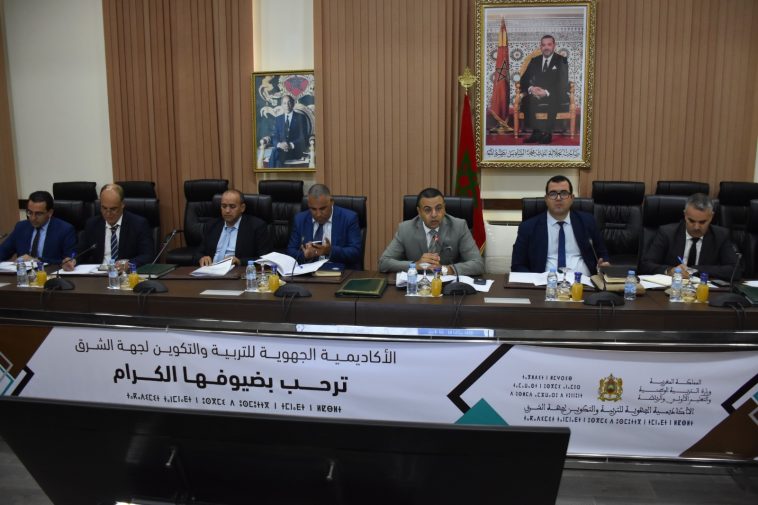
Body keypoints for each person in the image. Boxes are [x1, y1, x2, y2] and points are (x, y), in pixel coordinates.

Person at [511, 175, 608, 275]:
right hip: (545, 282)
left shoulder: (588, 221)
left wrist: (604, 264)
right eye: (553, 194)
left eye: (564, 193)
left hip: (583, 281)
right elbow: (517, 265)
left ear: (572, 198)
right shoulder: (528, 227)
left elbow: (602, 254)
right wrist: (533, 281)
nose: (558, 198)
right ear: (546, 199)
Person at [379, 188, 484, 276]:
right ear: (419, 212)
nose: (434, 214)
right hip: (417, 287)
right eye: (427, 210)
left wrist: (446, 269)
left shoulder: (459, 226)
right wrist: (415, 265)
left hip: (448, 287)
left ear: (444, 208)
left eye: (438, 208)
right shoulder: (405, 229)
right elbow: (384, 262)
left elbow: (478, 264)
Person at [639, 193, 740, 281]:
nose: (696, 227)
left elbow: (736, 270)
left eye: (702, 222)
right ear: (685, 215)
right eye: (691, 221)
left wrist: (696, 269)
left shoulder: (720, 235)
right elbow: (645, 265)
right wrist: (670, 271)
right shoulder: (667, 233)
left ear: (711, 217)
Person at [74, 184, 154, 267]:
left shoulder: (138, 224)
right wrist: (73, 260)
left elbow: (148, 256)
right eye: (104, 208)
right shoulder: (92, 224)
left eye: (113, 209)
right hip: (99, 272)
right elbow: (80, 252)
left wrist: (129, 264)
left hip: (125, 273)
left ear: (122, 204)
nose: (108, 214)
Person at [287, 184, 362, 270]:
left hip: (339, 272)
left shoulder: (349, 218)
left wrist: (330, 251)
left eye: (322, 209)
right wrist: (304, 255)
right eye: (313, 209)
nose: (318, 214)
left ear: (331, 202)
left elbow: (355, 252)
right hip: (309, 273)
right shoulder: (300, 219)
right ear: (308, 204)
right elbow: (291, 251)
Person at [198, 189, 273, 267]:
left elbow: (265, 259)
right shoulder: (211, 225)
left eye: (232, 206)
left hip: (236, 270)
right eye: (224, 206)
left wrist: (240, 261)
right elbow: (198, 253)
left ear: (242, 208)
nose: (227, 211)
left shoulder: (257, 226)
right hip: (210, 269)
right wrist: (202, 258)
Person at [0, 191, 77, 266]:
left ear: (50, 213)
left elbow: (68, 262)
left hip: (49, 273)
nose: (33, 218)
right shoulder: (21, 227)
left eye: (38, 214)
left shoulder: (65, 230)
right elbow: (3, 252)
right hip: (23, 273)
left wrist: (37, 261)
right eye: (30, 212)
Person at [520, 35, 569, 145]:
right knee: (526, 100)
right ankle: (536, 133)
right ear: (540, 47)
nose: (546, 47)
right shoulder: (535, 60)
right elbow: (524, 79)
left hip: (554, 93)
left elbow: (563, 82)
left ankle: (547, 133)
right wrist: (531, 88)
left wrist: (546, 92)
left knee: (554, 98)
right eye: (543, 45)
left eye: (549, 44)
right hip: (537, 93)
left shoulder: (562, 60)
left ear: (554, 46)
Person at [267, 95, 307, 168]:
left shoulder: (300, 117)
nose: (287, 105)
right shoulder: (278, 119)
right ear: (282, 105)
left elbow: (303, 137)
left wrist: (290, 145)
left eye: (289, 102)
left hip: (295, 150)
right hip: (281, 149)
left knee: (276, 154)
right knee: (277, 155)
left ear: (293, 104)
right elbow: (275, 136)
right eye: (284, 103)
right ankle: (275, 173)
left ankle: (271, 173)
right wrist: (280, 144)